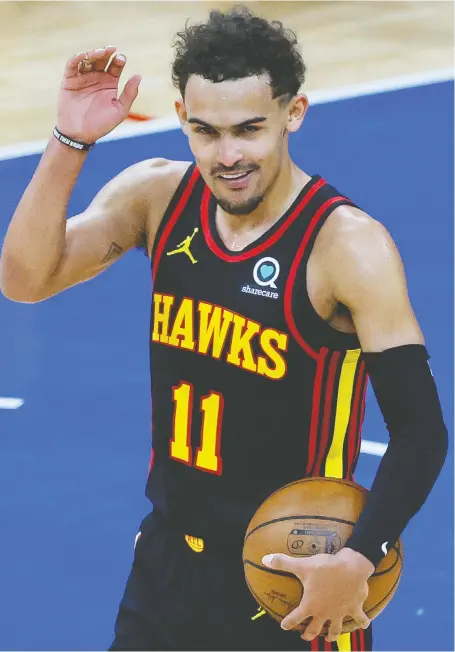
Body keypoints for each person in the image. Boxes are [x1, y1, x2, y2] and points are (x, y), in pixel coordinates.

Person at [0, 6, 448, 652]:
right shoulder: (157, 197)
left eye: (249, 129)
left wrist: (357, 560)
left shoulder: (346, 247)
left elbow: (420, 431)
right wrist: (70, 140)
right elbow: (24, 279)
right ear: (180, 116)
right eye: (206, 131)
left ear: (293, 114)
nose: (227, 155)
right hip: (167, 566)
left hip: (294, 582)